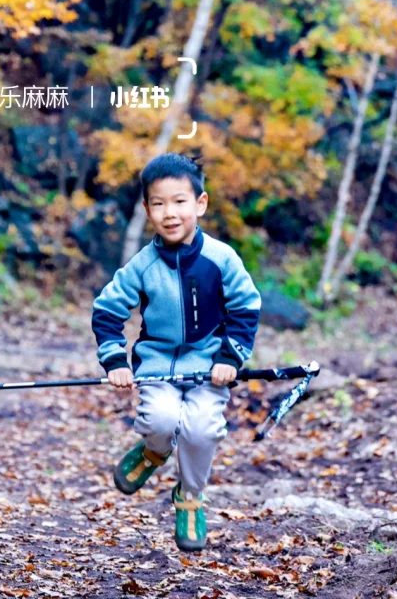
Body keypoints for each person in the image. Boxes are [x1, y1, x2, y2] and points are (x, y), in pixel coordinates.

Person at [91, 154, 261, 552]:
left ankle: (189, 496)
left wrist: (230, 358)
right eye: (160, 203)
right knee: (161, 421)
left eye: (180, 201)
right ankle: (153, 452)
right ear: (148, 209)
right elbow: (107, 310)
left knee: (201, 430)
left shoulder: (221, 259)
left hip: (209, 368)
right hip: (157, 367)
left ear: (200, 204)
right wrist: (115, 361)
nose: (171, 213)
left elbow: (246, 308)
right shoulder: (143, 265)